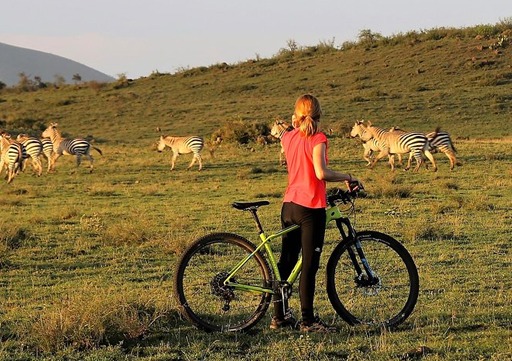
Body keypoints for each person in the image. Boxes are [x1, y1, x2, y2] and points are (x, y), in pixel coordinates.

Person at [270, 94, 361, 333]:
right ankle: (308, 321)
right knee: (309, 266)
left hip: (289, 205)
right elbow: (321, 173)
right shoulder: (318, 138)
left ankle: (278, 317)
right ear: (319, 115)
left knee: (286, 262)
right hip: (310, 208)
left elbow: (289, 139)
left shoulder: (288, 137)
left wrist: (293, 123)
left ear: (297, 115)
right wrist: (348, 177)